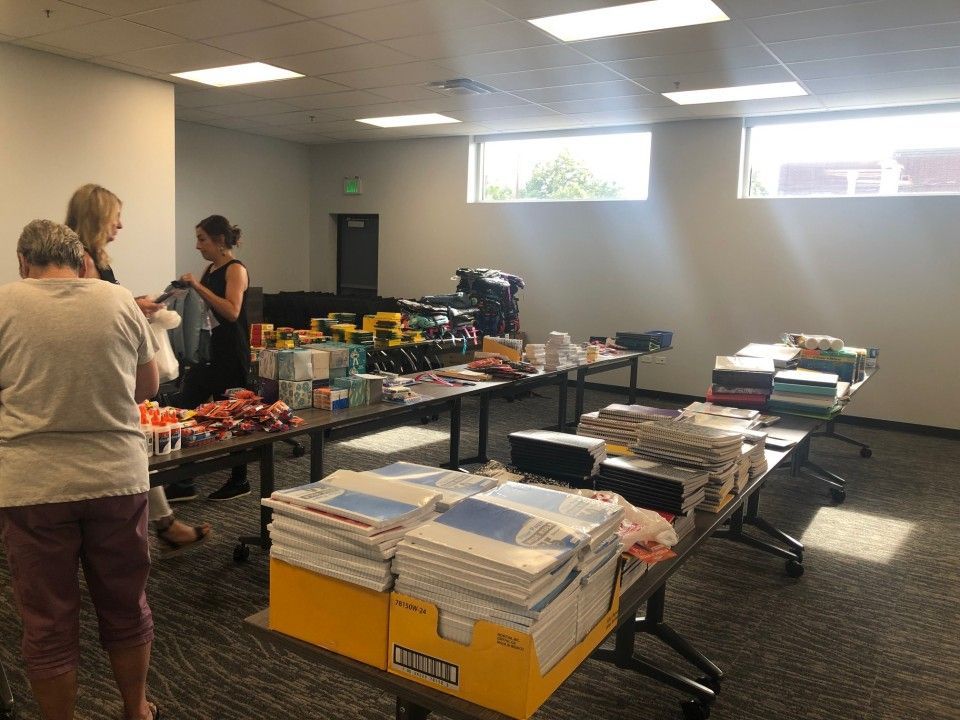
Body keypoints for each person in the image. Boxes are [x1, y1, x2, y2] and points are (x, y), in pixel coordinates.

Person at [0, 219, 160, 720]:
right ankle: (135, 709)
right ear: (81, 262)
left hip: (32, 486)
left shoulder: (4, 304)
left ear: (24, 263)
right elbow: (147, 386)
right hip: (116, 477)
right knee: (125, 603)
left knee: (47, 619)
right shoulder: (118, 300)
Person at [65, 183, 210, 551]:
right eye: (116, 216)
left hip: (111, 364)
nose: (121, 225)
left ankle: (164, 523)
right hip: (101, 370)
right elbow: (84, 312)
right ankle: (159, 525)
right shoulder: (80, 260)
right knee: (133, 444)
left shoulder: (97, 260)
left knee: (138, 443)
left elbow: (102, 306)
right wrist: (131, 306)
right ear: (98, 217)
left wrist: (134, 304)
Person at [168, 215, 251, 501]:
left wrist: (198, 286)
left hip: (230, 355)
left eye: (202, 239)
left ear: (218, 241)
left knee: (233, 417)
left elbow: (231, 311)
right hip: (208, 354)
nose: (197, 246)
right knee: (188, 408)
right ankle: (183, 479)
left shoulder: (235, 270)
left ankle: (240, 479)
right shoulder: (210, 269)